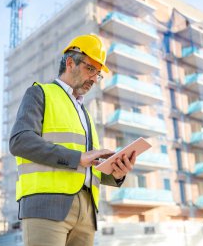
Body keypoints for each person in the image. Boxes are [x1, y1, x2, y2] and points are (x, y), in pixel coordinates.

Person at [9, 34, 136, 246]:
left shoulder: (84, 112)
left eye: (98, 74)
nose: (95, 78)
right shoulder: (40, 93)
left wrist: (116, 173)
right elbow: (19, 141)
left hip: (87, 212)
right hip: (47, 205)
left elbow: (89, 165)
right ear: (70, 63)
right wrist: (78, 157)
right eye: (91, 69)